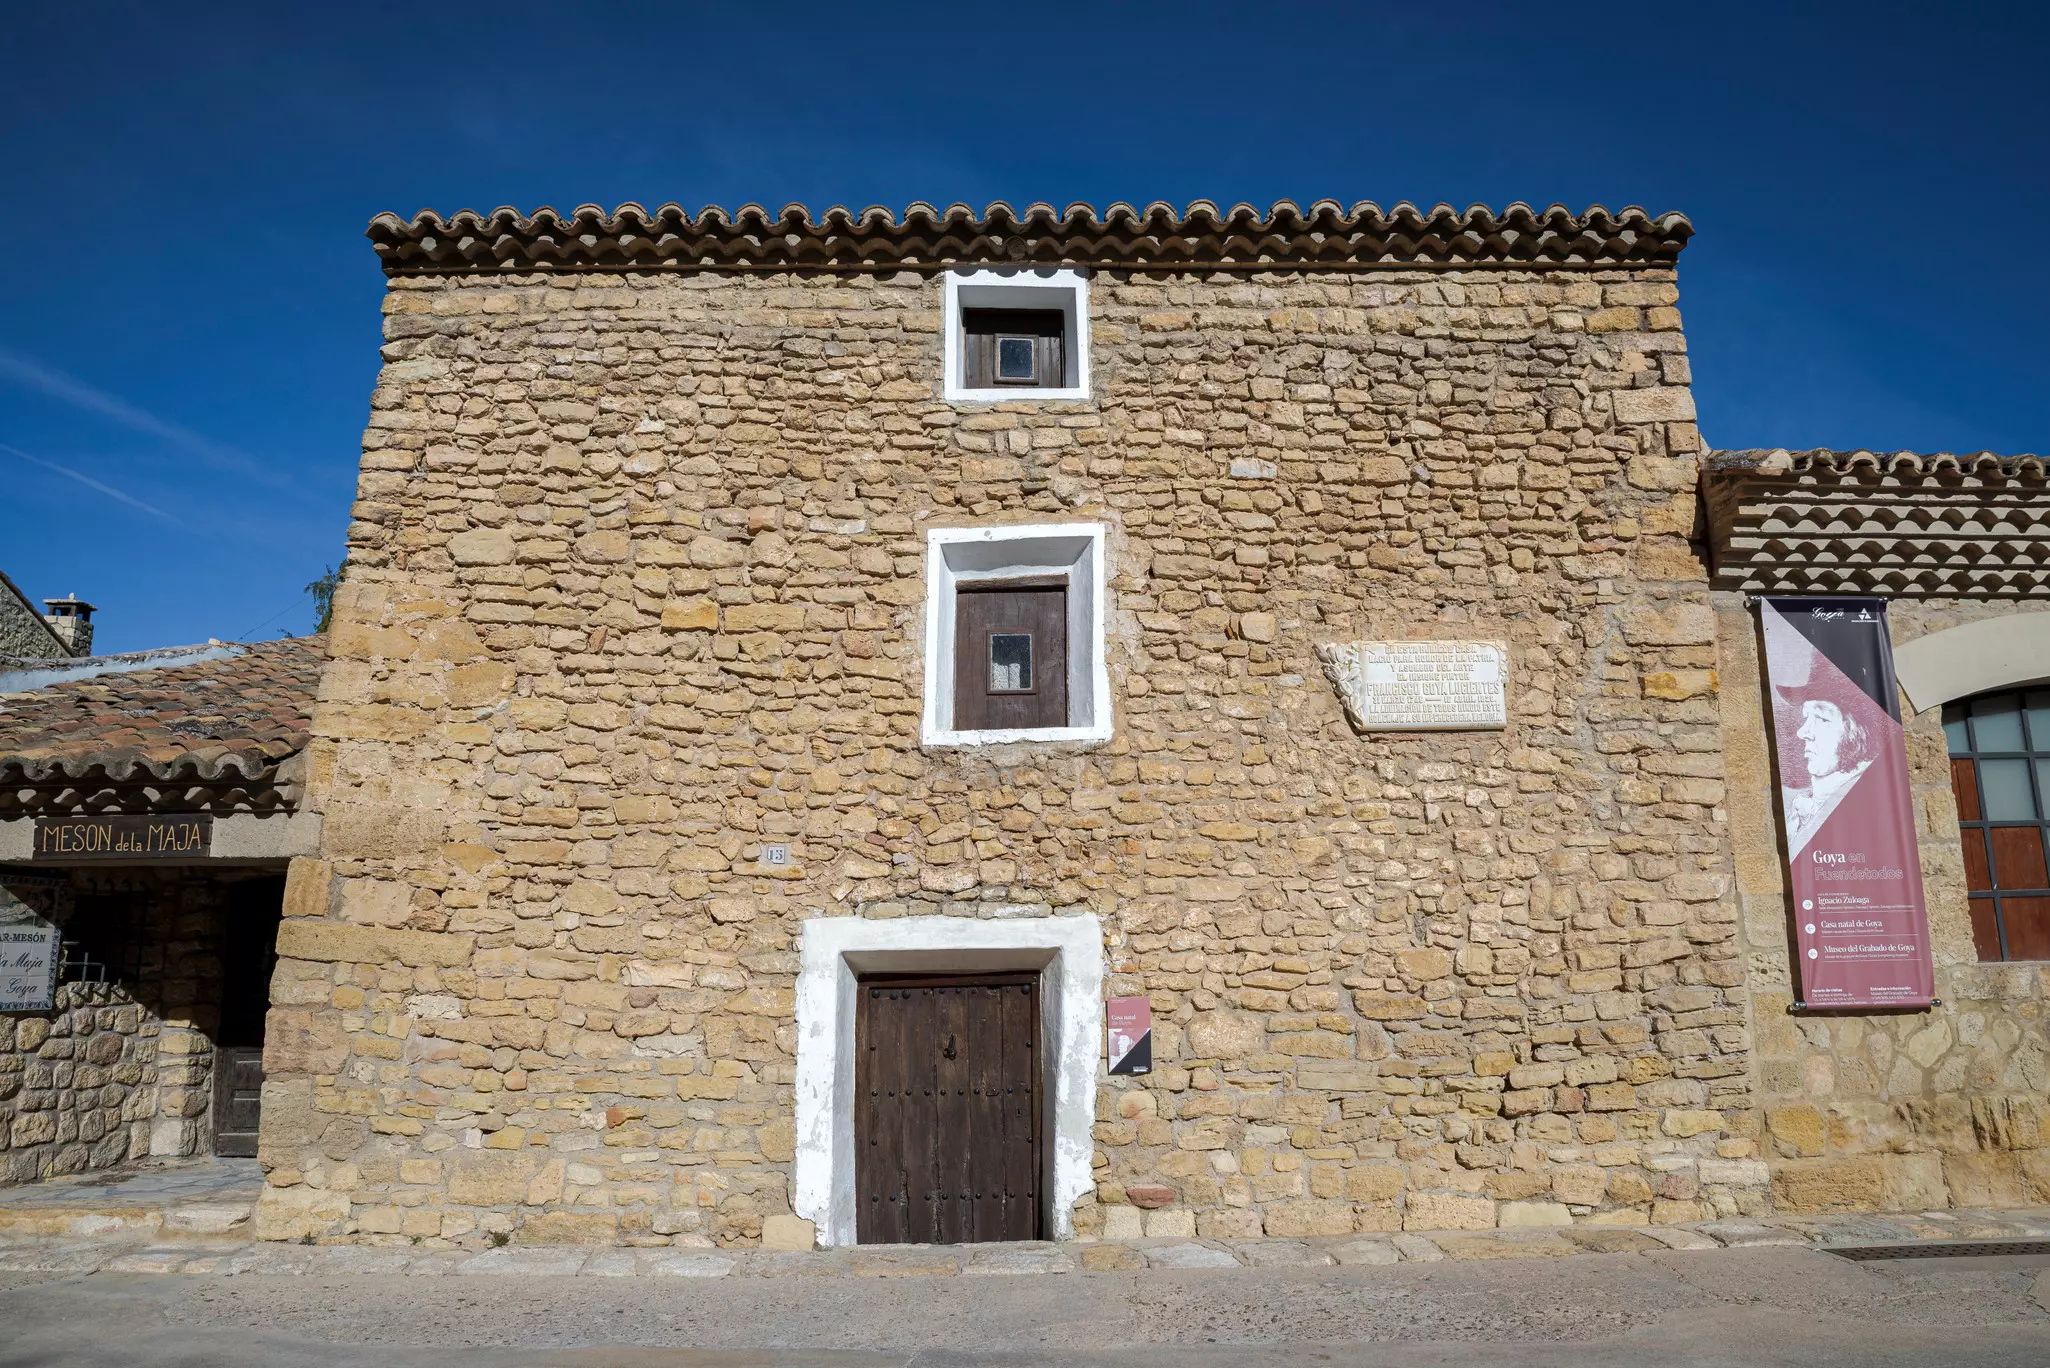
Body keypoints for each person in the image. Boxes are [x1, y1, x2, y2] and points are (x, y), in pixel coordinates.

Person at [1779, 685, 1877, 854]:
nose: (1802, 732)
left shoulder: (1869, 797)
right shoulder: (1803, 802)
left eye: (1822, 718)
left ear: (1855, 729)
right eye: (1806, 717)